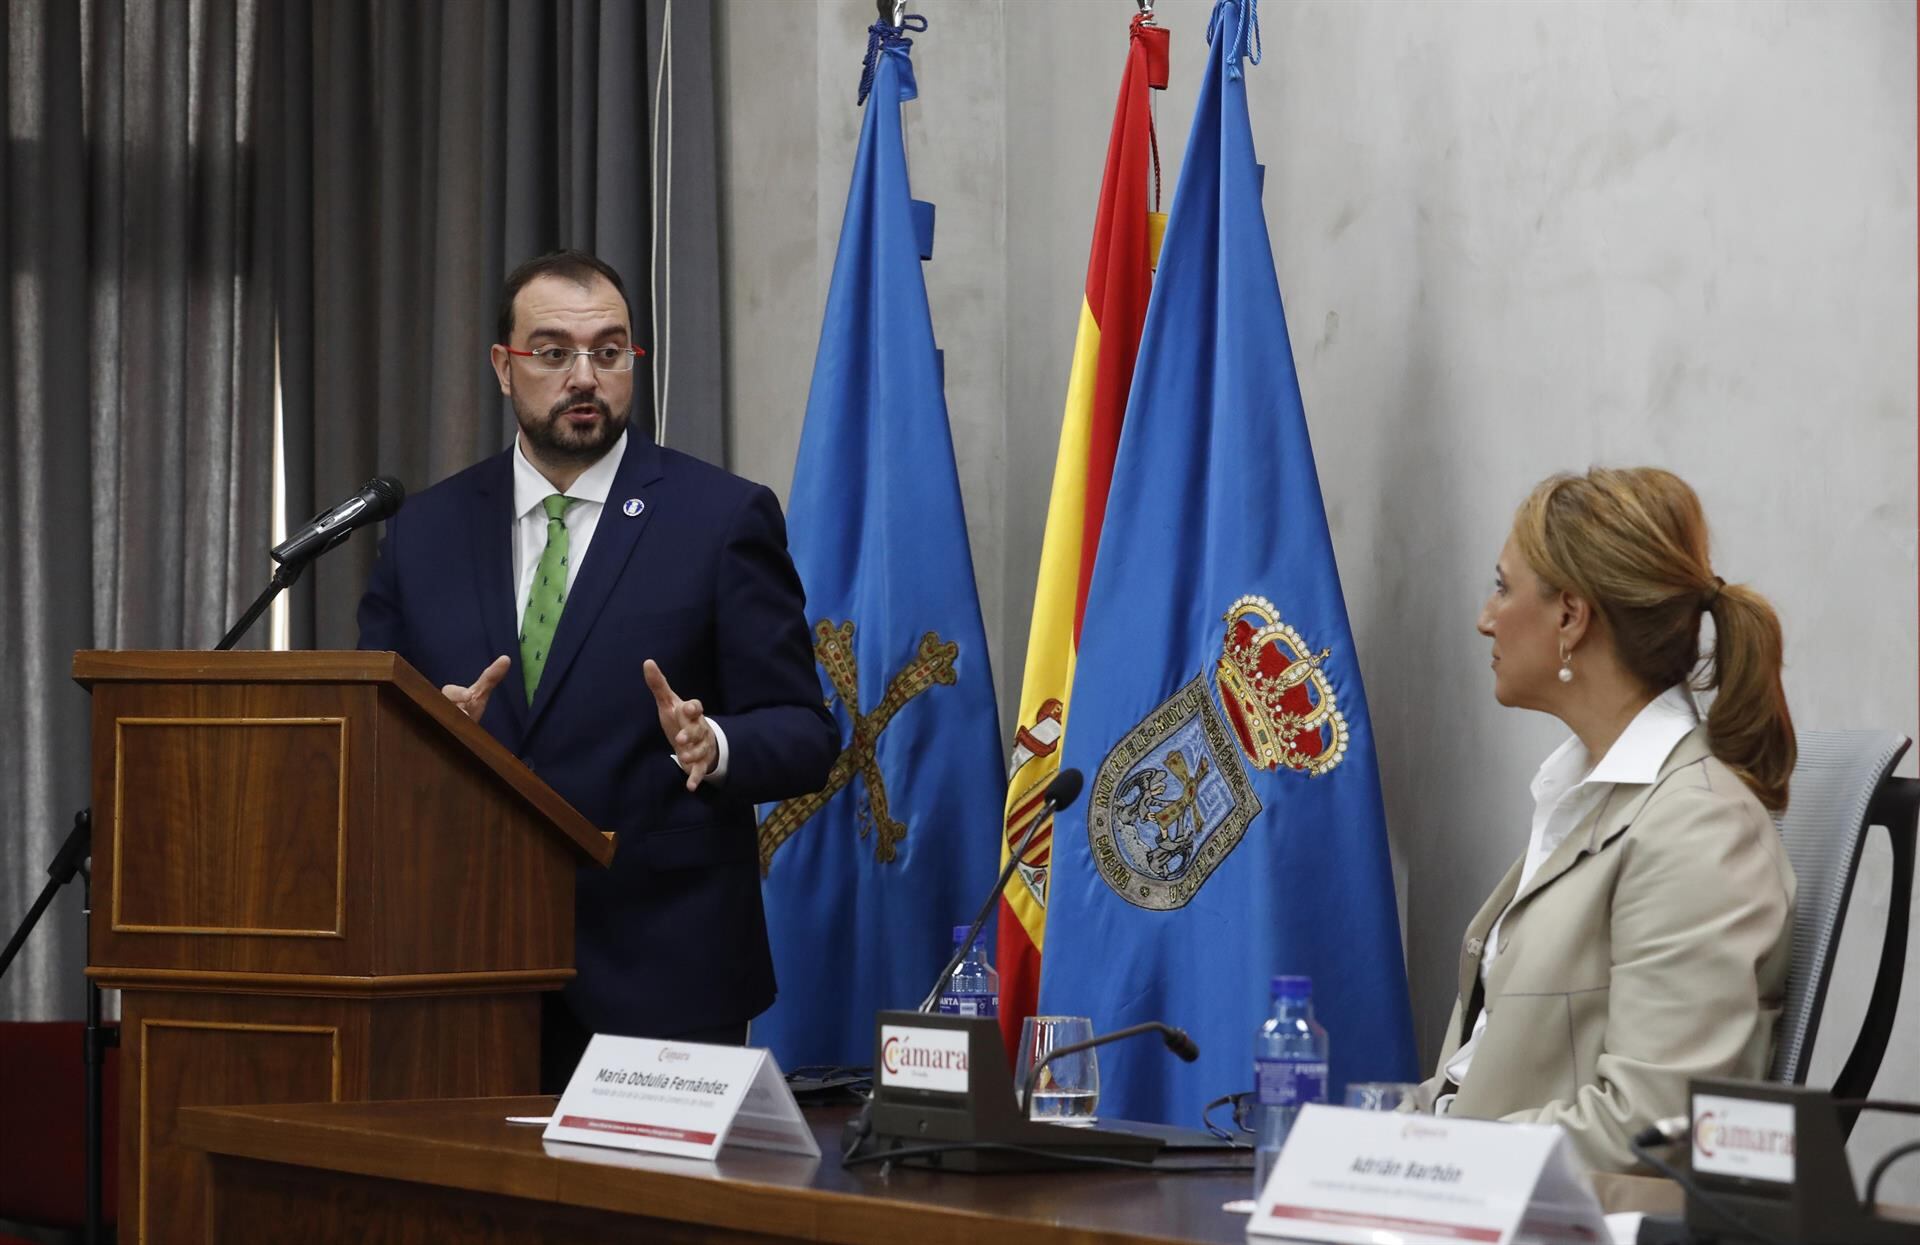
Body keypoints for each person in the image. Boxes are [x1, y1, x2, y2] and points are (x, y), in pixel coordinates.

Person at [357, 250, 838, 1089]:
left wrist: (714, 743)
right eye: (554, 352)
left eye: (610, 351)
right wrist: (424, 731)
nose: (585, 375)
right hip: (460, 970)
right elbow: (364, 735)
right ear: (504, 368)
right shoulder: (426, 532)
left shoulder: (720, 517)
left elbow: (805, 732)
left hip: (664, 974)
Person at [1411, 466, 1797, 1172]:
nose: (1485, 617)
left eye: (1502, 586)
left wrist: (1438, 1155)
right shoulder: (1587, 795)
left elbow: (1656, 1126)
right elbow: (1474, 1079)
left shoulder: (1700, 830)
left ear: (1571, 616)